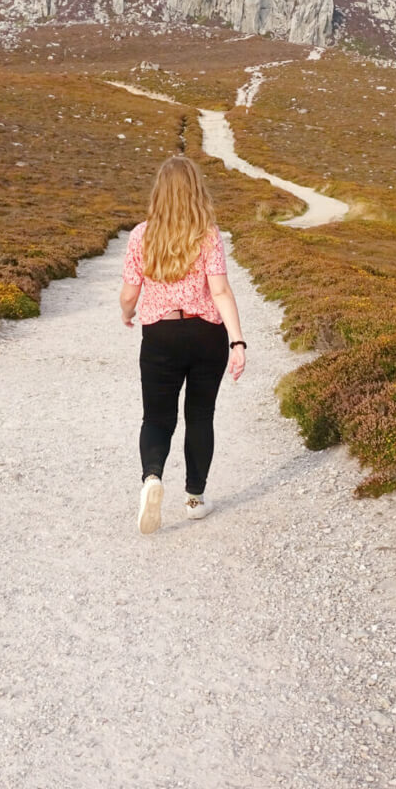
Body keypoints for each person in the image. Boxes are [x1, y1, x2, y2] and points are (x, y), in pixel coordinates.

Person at [120, 156, 246, 534]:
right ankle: (194, 499)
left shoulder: (141, 236)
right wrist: (238, 341)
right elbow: (220, 291)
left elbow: (129, 293)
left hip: (160, 334)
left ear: (159, 192)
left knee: (157, 417)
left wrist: (127, 313)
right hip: (206, 334)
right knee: (200, 416)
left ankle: (152, 477)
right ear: (195, 190)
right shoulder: (207, 234)